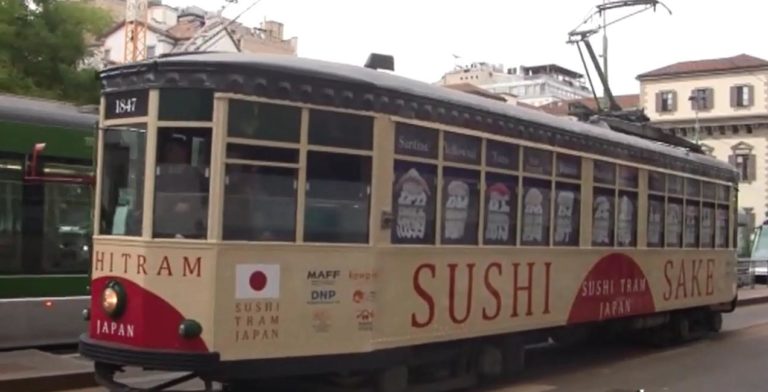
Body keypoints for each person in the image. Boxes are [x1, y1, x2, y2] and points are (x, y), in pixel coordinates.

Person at [153, 134, 207, 239]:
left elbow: (204, 200)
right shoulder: (161, 176)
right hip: (163, 229)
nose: (171, 155)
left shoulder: (195, 175)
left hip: (189, 229)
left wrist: (189, 205)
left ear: (184, 153)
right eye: (168, 151)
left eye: (174, 150)